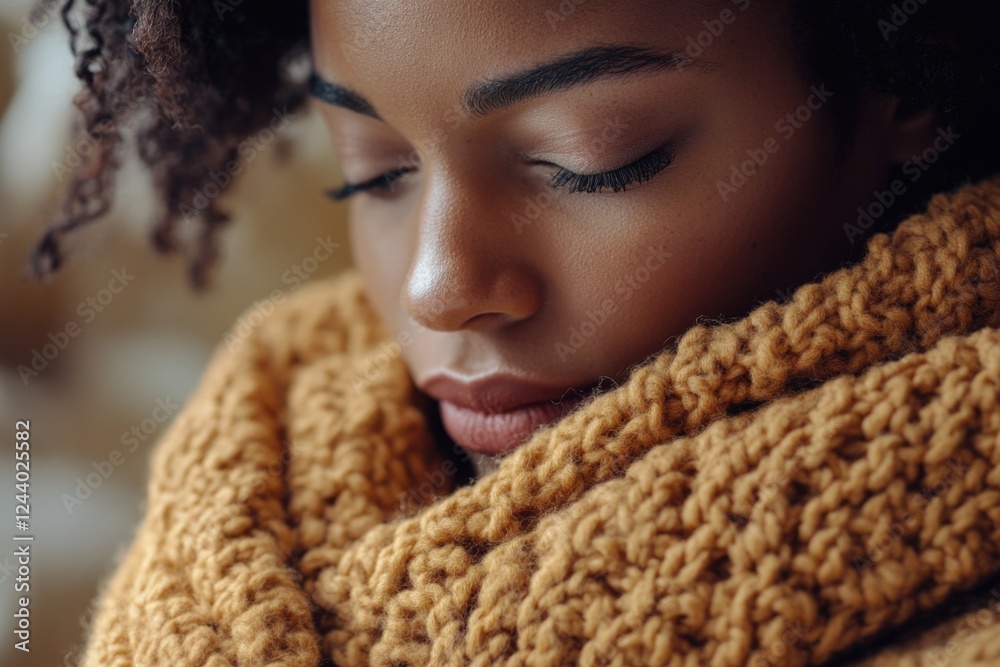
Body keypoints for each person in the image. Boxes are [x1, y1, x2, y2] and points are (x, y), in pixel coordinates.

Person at [36, 0, 1000, 665]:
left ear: (898, 87)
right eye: (374, 172)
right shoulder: (270, 437)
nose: (436, 288)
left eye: (591, 160)